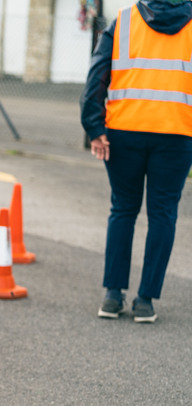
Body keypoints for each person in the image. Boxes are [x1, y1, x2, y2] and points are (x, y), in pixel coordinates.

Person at [80, 0, 192, 323]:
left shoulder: (123, 23)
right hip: (177, 134)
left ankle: (113, 296)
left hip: (124, 133)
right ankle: (145, 300)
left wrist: (95, 127)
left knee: (124, 209)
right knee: (163, 214)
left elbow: (96, 76)